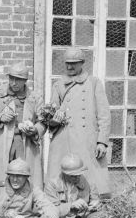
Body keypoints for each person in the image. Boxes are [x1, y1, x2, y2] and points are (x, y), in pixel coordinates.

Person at [46, 48, 111, 197]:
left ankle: (92, 208)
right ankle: (62, 206)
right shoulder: (58, 85)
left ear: (82, 63)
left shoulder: (94, 83)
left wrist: (102, 141)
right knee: (61, 177)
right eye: (67, 64)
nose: (70, 67)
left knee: (91, 178)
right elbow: (50, 114)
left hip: (86, 138)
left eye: (74, 64)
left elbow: (104, 114)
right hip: (64, 139)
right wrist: (54, 120)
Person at [0, 62, 45, 189]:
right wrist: (0, 117)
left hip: (25, 141)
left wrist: (35, 129)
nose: (13, 83)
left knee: (24, 173)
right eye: (11, 78)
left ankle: (26, 204)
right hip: (1, 140)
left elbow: (43, 121)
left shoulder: (35, 98)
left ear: (25, 80)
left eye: (18, 80)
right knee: (0, 176)